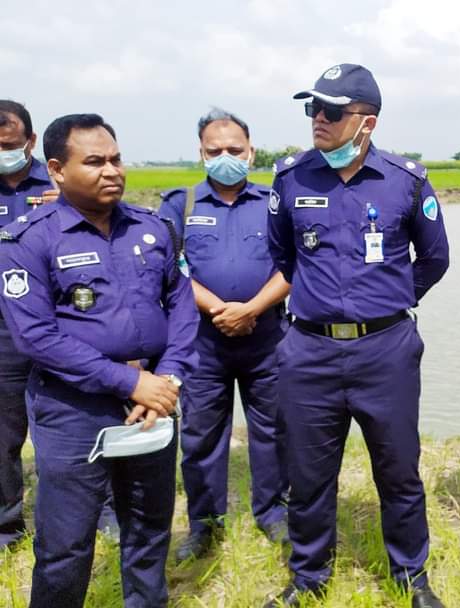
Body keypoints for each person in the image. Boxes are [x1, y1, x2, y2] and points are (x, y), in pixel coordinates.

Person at [265, 64, 449, 608]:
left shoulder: (406, 181)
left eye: (331, 111)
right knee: (309, 474)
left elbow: (434, 259)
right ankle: (308, 578)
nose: (317, 120)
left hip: (385, 350)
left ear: (366, 123)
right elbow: (282, 256)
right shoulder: (291, 178)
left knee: (398, 470)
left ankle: (411, 577)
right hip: (310, 350)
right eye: (311, 109)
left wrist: (389, 300)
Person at [0, 113, 197, 606]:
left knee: (149, 531)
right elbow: (36, 337)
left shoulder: (154, 228)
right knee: (66, 544)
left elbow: (183, 306)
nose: (112, 171)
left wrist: (166, 380)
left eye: (115, 159)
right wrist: (128, 384)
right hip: (73, 408)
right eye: (94, 162)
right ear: (57, 170)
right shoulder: (28, 240)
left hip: (152, 402)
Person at [158, 108, 290, 561]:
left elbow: (295, 265)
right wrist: (219, 309)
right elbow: (170, 270)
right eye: (215, 151)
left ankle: (273, 513)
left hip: (266, 335)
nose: (226, 157)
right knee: (201, 436)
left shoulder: (275, 201)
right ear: (201, 153)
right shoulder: (182, 204)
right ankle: (204, 524)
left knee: (273, 430)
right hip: (203, 342)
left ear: (251, 152)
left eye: (235, 150)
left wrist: (252, 308)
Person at [0, 99, 58, 551]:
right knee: (3, 434)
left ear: (31, 142)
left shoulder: (60, 181)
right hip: (2, 333)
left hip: (59, 326)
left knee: (67, 427)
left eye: (10, 145)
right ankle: (7, 525)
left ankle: (90, 515)